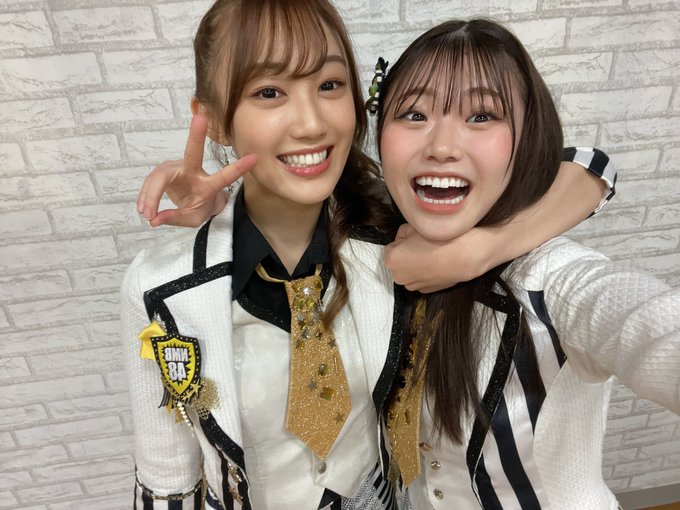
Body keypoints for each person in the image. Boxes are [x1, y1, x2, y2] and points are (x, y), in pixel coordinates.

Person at [123, 2, 614, 510]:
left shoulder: (397, 235)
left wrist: (481, 249)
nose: (311, 123)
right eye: (269, 92)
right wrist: (218, 228)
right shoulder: (164, 285)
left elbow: (590, 169)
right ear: (213, 120)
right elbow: (166, 476)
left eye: (329, 85)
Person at [374, 19, 680, 509]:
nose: (441, 147)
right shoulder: (375, 249)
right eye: (414, 114)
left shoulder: (553, 283)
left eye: (481, 116)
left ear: (527, 138)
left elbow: (650, 325)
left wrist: (481, 250)